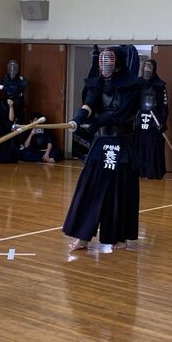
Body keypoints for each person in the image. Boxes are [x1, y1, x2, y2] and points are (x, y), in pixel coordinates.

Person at [62, 45, 142, 251]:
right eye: (103, 60)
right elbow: (89, 104)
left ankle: (118, 236)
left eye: (110, 60)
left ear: (119, 62)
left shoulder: (132, 86)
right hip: (101, 144)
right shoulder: (97, 83)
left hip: (121, 144)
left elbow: (122, 114)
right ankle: (82, 237)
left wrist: (98, 122)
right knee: (89, 189)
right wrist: (78, 119)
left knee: (118, 191)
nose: (105, 64)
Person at [134, 59, 168, 179]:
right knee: (139, 145)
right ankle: (139, 170)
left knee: (152, 146)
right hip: (140, 118)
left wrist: (162, 121)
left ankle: (152, 171)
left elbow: (164, 105)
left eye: (149, 67)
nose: (147, 70)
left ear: (154, 69)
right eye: (145, 67)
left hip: (154, 119)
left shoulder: (160, 85)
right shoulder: (137, 83)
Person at [0, 60, 29, 124]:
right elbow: (0, 86)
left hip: (18, 103)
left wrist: (9, 89)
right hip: (7, 102)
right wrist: (8, 89)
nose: (12, 69)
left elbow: (26, 84)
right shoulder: (6, 78)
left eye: (14, 67)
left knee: (19, 121)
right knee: (7, 121)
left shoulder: (20, 78)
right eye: (11, 67)